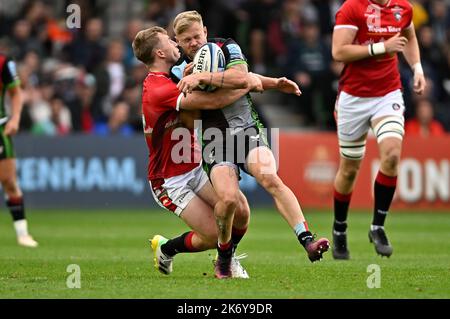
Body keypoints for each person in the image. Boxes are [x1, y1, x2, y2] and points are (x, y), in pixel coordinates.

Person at [172, 10, 330, 279]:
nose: (194, 43)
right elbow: (194, 108)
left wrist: (204, 78)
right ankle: (224, 257)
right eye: (186, 40)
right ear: (177, 42)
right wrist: (250, 84)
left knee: (271, 178)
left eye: (197, 36)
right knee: (229, 199)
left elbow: (241, 77)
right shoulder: (177, 72)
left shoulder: (228, 45)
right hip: (215, 138)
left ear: (206, 32)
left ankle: (307, 240)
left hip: (247, 128)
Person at [132, 26, 263, 278]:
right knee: (215, 234)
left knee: (240, 211)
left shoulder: (174, 76)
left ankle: (226, 258)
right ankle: (169, 248)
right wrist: (247, 83)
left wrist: (203, 76)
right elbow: (212, 103)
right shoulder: (158, 88)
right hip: (169, 178)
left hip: (192, 164)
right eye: (170, 41)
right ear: (160, 52)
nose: (175, 43)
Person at [331, 0, 426, 259]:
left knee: (392, 155)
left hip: (388, 93)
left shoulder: (403, 8)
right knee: (349, 169)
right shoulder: (352, 7)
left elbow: (409, 35)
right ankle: (340, 228)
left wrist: (417, 68)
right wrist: (382, 47)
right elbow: (338, 52)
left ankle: (378, 226)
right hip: (353, 97)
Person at [0, 53, 38, 247]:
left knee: (8, 180)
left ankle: (22, 234)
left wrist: (14, 119)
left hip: (0, 128)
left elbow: (15, 92)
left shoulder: (3, 62)